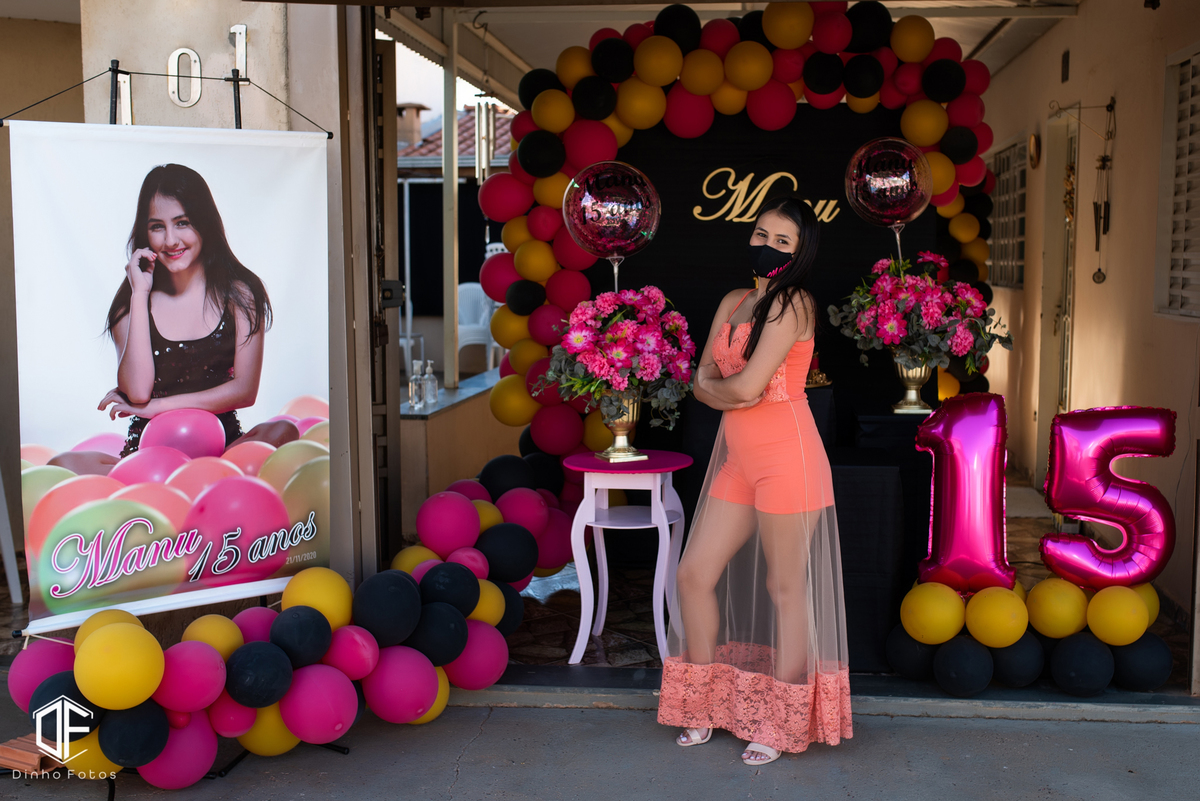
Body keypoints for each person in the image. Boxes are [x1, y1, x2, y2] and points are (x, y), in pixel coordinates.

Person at [657, 196, 852, 765]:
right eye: (762, 234)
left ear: (800, 253)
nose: (767, 246)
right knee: (693, 575)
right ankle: (702, 705)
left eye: (782, 241)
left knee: (784, 588)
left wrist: (719, 390)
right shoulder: (734, 301)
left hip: (788, 458)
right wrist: (721, 390)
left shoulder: (794, 303)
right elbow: (702, 379)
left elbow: (736, 388)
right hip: (739, 462)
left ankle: (782, 723)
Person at [99, 164, 271, 455]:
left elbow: (245, 391)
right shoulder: (131, 303)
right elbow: (137, 393)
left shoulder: (241, 294)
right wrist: (140, 294)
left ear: (204, 222)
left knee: (280, 431)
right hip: (150, 459)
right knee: (65, 463)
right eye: (157, 226)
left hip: (224, 450)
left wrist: (157, 407)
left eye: (182, 223)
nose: (170, 240)